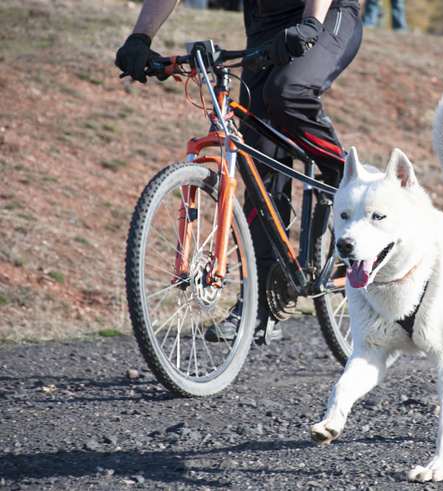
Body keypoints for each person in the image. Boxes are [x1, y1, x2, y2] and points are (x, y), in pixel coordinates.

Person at [116, 0, 362, 343]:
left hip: (325, 14)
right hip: (266, 24)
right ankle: (260, 304)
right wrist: (140, 38)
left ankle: (345, 178)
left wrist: (311, 22)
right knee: (259, 153)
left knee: (287, 91)